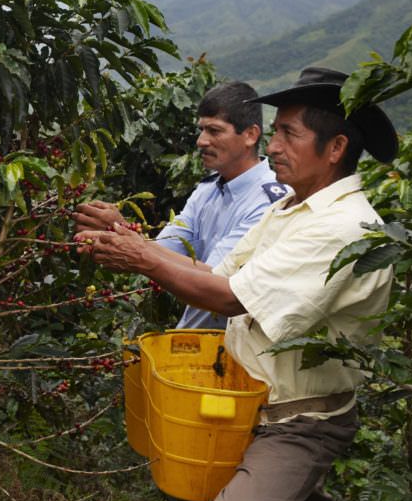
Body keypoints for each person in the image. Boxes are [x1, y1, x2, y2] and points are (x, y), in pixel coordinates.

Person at [75, 66, 398, 501]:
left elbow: (230, 298)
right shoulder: (289, 208)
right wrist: (131, 240)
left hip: (299, 419)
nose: (274, 146)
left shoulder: (342, 227)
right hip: (248, 402)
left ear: (336, 148)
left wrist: (141, 256)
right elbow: (222, 274)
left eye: (289, 134)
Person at [73, 81, 287, 332]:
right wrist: (119, 229)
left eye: (215, 131)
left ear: (251, 135)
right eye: (202, 130)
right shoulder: (207, 190)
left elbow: (218, 280)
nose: (201, 141)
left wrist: (136, 249)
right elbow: (162, 249)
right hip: (193, 340)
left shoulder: (270, 202)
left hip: (234, 355)